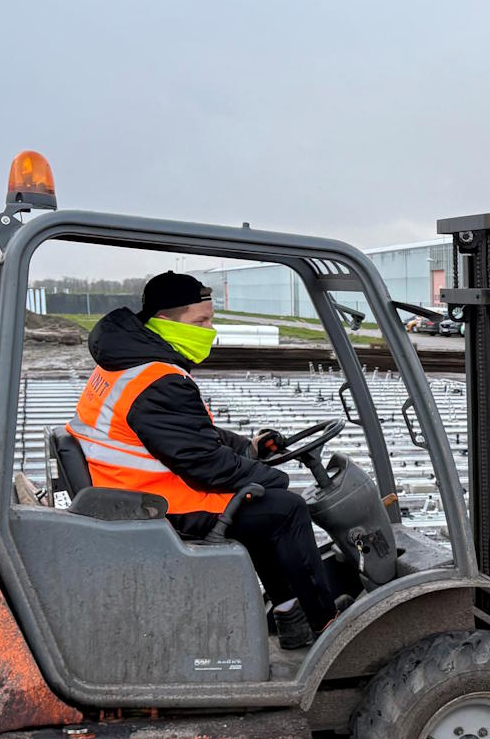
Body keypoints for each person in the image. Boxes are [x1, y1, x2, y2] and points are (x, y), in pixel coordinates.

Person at [69, 271, 337, 649]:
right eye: (201, 321)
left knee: (260, 505)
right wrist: (270, 478)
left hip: (129, 489)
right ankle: (327, 626)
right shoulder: (157, 380)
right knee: (285, 508)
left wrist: (251, 448)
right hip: (153, 503)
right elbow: (203, 463)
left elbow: (189, 435)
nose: (210, 330)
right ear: (165, 321)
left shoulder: (132, 362)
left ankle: (290, 615)